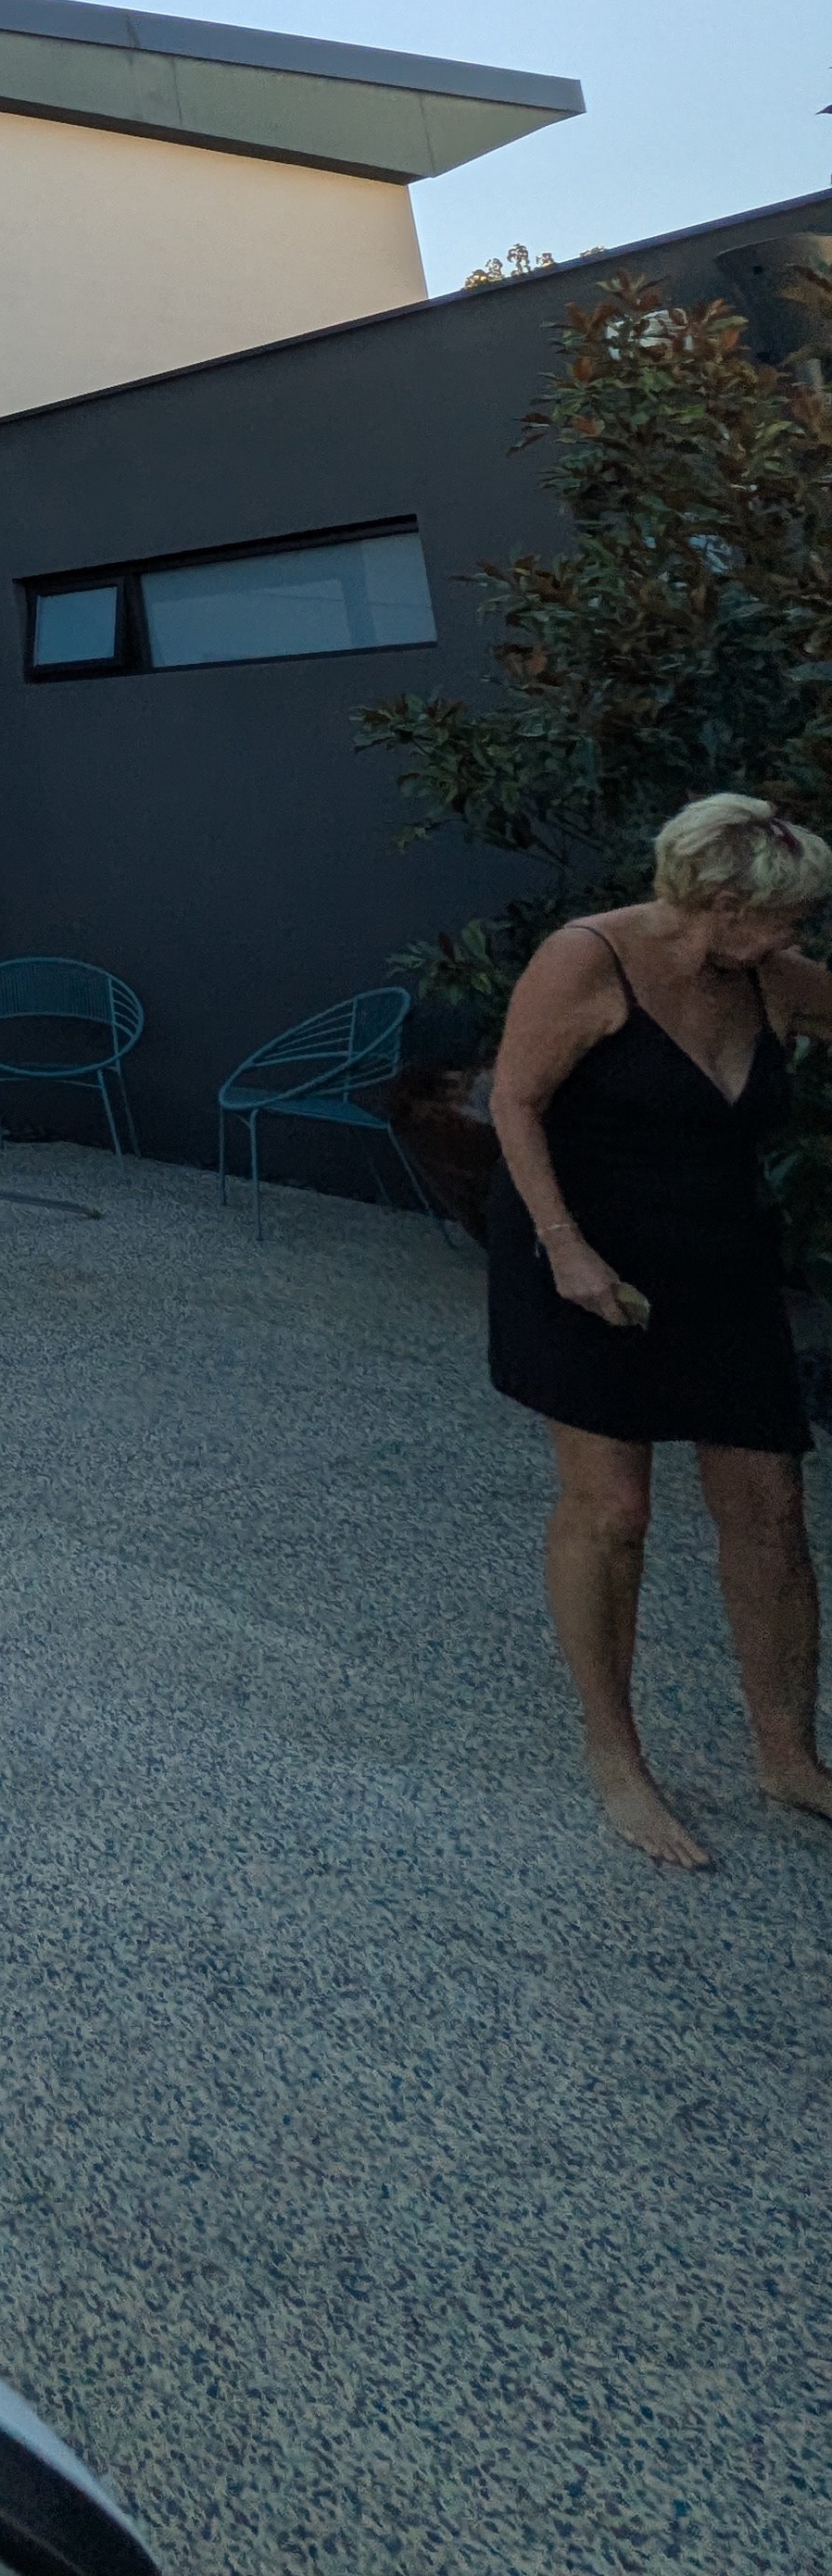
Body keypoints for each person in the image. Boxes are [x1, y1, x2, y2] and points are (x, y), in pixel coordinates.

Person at [488, 792, 832, 1867]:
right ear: (723, 902)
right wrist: (564, 1248)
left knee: (770, 1508)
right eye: (785, 914)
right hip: (588, 1255)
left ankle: (788, 1756)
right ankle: (616, 1758)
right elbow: (512, 1101)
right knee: (612, 1511)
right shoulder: (587, 959)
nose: (798, 932)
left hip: (720, 1259)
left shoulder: (771, 977)